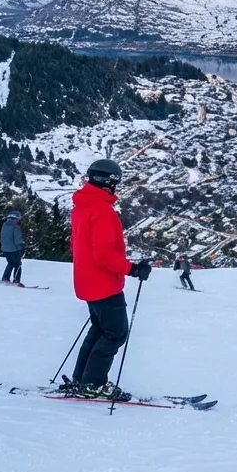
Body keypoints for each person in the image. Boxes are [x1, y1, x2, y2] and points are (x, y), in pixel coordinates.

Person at [66, 159, 152, 400]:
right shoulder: (102, 211)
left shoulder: (82, 207)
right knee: (116, 332)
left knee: (99, 330)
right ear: (110, 182)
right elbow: (104, 254)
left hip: (87, 281)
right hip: (104, 284)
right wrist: (132, 269)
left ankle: (82, 380)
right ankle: (93, 384)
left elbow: (82, 246)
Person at [0, 208, 24, 286]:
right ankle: (16, 281)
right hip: (14, 249)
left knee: (10, 263)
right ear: (14, 218)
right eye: (17, 219)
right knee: (18, 264)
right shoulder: (15, 227)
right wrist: (21, 246)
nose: (18, 221)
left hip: (5, 249)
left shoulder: (4, 225)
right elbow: (17, 239)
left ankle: (5, 278)